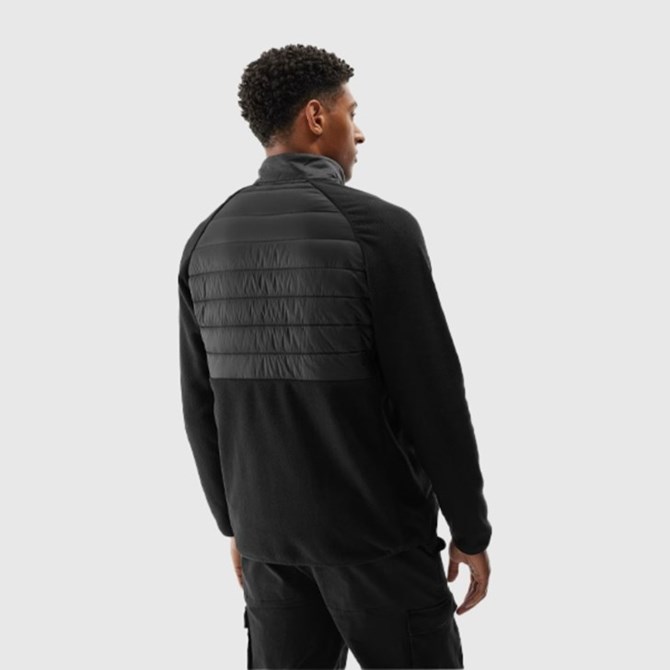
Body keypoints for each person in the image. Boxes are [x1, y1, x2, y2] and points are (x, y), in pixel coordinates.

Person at [178, 43, 493, 669]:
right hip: (376, 540)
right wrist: (470, 528)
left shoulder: (206, 238)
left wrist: (237, 526)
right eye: (352, 113)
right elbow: (432, 394)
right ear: (317, 117)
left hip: (268, 542)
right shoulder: (379, 229)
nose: (361, 132)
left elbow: (200, 402)